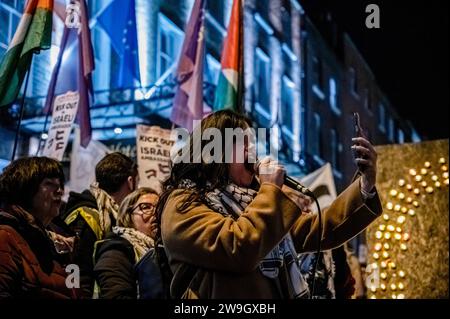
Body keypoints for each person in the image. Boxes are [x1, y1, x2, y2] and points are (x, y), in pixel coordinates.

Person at [156, 110, 382, 299]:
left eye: (251, 144)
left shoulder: (253, 202)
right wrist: (270, 190)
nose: (252, 153)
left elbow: (319, 230)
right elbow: (238, 247)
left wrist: (366, 183)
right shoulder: (182, 203)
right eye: (242, 145)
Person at [0, 157, 78, 299]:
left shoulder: (57, 241)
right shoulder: (5, 238)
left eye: (60, 184)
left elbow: (74, 289)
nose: (59, 190)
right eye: (49, 184)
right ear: (25, 189)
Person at [62, 152, 138, 298]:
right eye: (137, 181)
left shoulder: (108, 214)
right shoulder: (87, 216)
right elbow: (76, 270)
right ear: (130, 182)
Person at [93, 187, 169, 299]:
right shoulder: (116, 250)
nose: (155, 213)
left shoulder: (166, 250)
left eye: (160, 208)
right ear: (127, 215)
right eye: (146, 207)